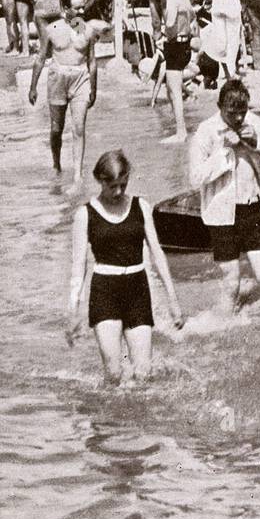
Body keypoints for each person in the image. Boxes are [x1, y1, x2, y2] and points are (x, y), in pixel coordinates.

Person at [67, 150, 183, 384]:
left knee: (143, 374)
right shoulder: (84, 215)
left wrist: (173, 300)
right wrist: (73, 310)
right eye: (113, 187)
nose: (119, 192)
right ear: (100, 180)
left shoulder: (141, 206)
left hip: (137, 289)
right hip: (105, 292)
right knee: (114, 373)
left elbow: (157, 254)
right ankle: (109, 420)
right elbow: (78, 267)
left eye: (123, 184)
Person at [187, 78, 260, 314]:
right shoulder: (206, 131)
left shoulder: (251, 122)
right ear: (219, 106)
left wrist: (255, 141)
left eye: (242, 112)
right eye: (232, 113)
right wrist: (225, 150)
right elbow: (195, 177)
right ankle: (225, 321)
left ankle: (235, 310)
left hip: (252, 209)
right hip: (222, 215)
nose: (238, 119)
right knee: (231, 282)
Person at [29, 0, 101, 188]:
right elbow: (41, 58)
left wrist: (93, 88)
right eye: (76, 8)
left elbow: (92, 62)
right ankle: (56, 164)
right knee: (56, 129)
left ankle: (77, 175)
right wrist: (33, 87)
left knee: (79, 127)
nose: (81, 11)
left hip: (80, 79)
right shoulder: (52, 29)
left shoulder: (86, 30)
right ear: (65, 9)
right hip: (57, 79)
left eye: (82, 7)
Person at [160, 0, 196, 144]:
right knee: (171, 88)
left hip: (174, 44)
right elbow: (193, 17)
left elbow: (170, 22)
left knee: (174, 92)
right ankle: (178, 126)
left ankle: (180, 132)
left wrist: (165, 33)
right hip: (185, 44)